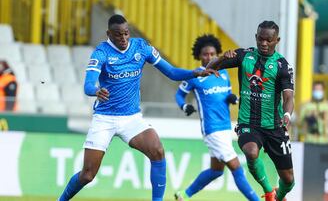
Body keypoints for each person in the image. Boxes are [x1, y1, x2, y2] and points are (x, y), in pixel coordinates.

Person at [58, 14, 217, 201]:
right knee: (87, 175)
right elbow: (88, 85)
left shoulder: (141, 47)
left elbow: (172, 72)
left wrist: (194, 73)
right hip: (105, 118)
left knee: (157, 150)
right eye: (118, 35)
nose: (124, 39)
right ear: (108, 34)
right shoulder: (101, 53)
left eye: (126, 33)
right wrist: (96, 90)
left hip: (131, 118)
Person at [206, 21, 295, 201]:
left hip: (275, 126)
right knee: (251, 152)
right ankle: (269, 191)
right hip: (249, 123)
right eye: (260, 39)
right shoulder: (243, 56)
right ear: (256, 37)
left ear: (276, 40)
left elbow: (288, 97)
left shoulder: (282, 65)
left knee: (289, 180)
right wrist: (223, 57)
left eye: (268, 40)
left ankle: (279, 196)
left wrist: (286, 115)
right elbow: (209, 68)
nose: (263, 43)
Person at [174, 34, 259, 201]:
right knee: (237, 167)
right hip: (212, 129)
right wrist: (185, 106)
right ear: (199, 55)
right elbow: (178, 96)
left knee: (216, 170)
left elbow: (227, 95)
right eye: (205, 54)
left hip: (225, 127)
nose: (209, 57)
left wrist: (231, 98)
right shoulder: (195, 76)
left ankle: (183, 195)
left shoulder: (224, 74)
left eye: (213, 54)